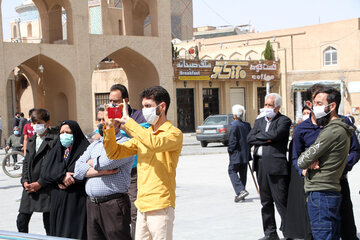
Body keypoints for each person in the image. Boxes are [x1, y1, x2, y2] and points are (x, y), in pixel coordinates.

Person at [103, 86, 183, 240]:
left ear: (162, 107)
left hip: (160, 205)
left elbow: (153, 143)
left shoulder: (173, 134)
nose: (144, 110)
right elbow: (114, 153)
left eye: (148, 106)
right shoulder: (144, 135)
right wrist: (109, 128)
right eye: (143, 106)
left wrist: (129, 122)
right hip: (142, 205)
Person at [290, 84, 359, 240]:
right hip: (318, 185)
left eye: (320, 103)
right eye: (314, 103)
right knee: (323, 231)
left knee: (340, 230)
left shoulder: (336, 127)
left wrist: (338, 166)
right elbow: (297, 159)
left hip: (330, 185)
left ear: (332, 105)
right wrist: (304, 169)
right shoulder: (302, 129)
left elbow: (354, 151)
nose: (315, 106)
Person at [74, 108, 134, 240]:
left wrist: (91, 163)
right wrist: (100, 171)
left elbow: (108, 162)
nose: (102, 123)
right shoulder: (95, 144)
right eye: (100, 119)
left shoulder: (125, 143)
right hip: (92, 205)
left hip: (113, 205)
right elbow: (77, 170)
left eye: (106, 119)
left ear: (117, 122)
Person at [247, 93, 291, 240]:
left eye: (270, 105)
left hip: (276, 166)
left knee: (281, 202)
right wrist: (267, 138)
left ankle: (289, 232)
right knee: (265, 202)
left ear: (277, 107)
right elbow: (250, 138)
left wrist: (264, 137)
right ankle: (270, 233)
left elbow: (277, 134)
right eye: (265, 104)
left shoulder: (283, 120)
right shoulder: (259, 121)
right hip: (260, 165)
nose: (266, 108)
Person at [108, 83, 146, 239]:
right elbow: (100, 137)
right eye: (110, 101)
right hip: (115, 171)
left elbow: (141, 134)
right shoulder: (109, 117)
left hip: (133, 172)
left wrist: (123, 123)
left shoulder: (139, 116)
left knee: (134, 212)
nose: (113, 104)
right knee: (118, 212)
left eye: (116, 101)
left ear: (126, 101)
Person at [41, 120, 89, 239]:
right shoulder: (56, 150)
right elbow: (46, 171)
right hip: (58, 199)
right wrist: (61, 177)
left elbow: (87, 170)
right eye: (62, 132)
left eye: (68, 132)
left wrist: (72, 178)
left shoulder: (85, 149)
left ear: (75, 133)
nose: (64, 135)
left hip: (76, 199)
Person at [16, 108, 57, 235]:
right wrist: (24, 180)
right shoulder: (31, 140)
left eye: (39, 122)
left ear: (47, 122)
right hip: (30, 186)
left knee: (49, 223)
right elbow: (26, 162)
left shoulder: (54, 140)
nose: (36, 126)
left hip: (46, 187)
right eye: (34, 123)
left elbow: (54, 165)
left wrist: (40, 183)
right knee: (21, 221)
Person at [227, 104, 251, 202]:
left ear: (235, 115)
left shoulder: (234, 126)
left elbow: (233, 142)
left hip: (236, 154)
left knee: (232, 171)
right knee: (243, 173)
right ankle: (242, 192)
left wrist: (230, 150)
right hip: (245, 154)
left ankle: (241, 190)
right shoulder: (247, 125)